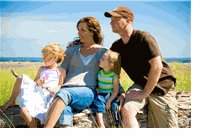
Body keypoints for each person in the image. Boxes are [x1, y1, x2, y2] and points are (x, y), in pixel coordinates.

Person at [104, 6, 178, 128]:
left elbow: (157, 67)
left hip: (161, 86)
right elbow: (110, 68)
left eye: (115, 19)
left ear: (128, 20)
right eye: (111, 19)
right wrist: (121, 93)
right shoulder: (117, 46)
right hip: (140, 86)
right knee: (127, 109)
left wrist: (144, 94)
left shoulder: (144, 38)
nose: (111, 22)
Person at [44, 16, 107, 128]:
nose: (79, 33)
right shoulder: (71, 50)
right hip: (66, 91)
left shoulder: (103, 52)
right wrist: (59, 85)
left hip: (87, 92)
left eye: (83, 30)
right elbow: (63, 69)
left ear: (92, 32)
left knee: (63, 95)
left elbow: (110, 74)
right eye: (78, 30)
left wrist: (120, 92)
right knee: (65, 112)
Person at [0, 43, 66, 127]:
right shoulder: (42, 69)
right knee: (21, 78)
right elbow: (35, 82)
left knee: (24, 110)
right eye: (43, 56)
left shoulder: (61, 71)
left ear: (55, 57)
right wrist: (39, 82)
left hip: (48, 96)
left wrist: (55, 90)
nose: (44, 59)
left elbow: (60, 85)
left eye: (46, 57)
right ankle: (11, 101)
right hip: (37, 93)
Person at [91, 50, 121, 128]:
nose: (100, 59)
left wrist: (109, 101)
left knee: (115, 106)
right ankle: (101, 125)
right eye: (101, 58)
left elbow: (115, 91)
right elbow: (98, 84)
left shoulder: (114, 76)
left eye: (103, 59)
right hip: (101, 94)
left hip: (111, 95)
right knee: (98, 102)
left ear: (110, 64)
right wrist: (97, 88)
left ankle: (117, 125)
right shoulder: (99, 73)